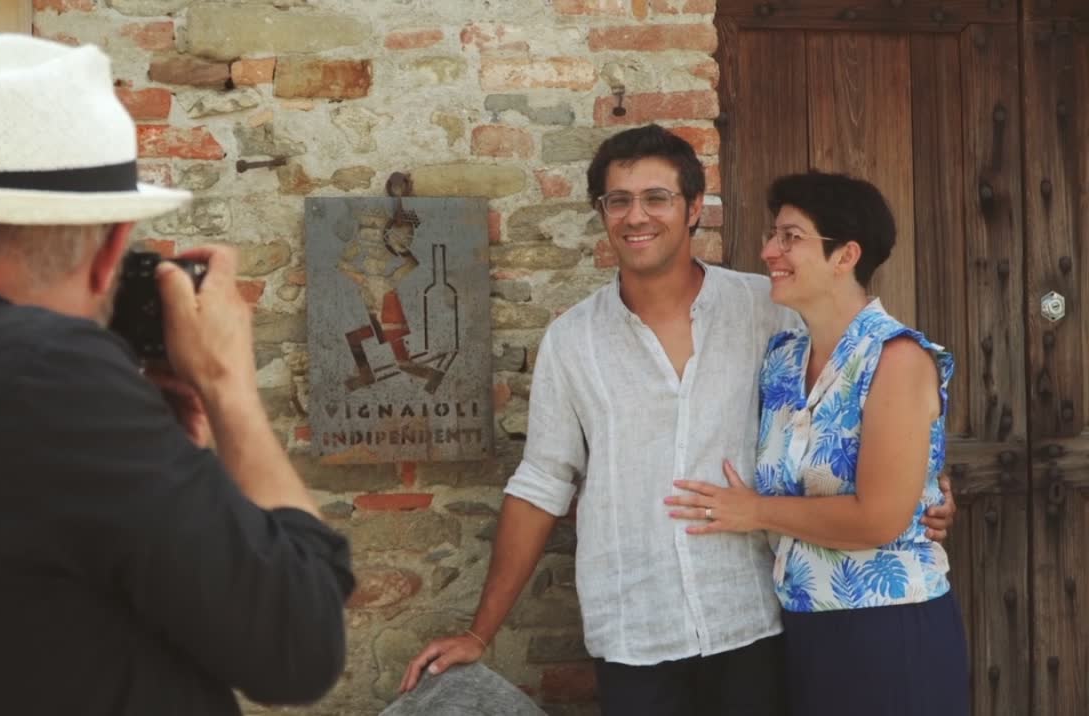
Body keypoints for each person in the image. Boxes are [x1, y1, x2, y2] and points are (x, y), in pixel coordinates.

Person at [0, 34, 353, 716]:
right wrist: (228, 388)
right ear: (109, 254)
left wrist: (162, 460)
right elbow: (298, 643)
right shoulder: (49, 377)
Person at [400, 125, 955, 715]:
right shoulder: (572, 342)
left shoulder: (770, 316)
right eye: (618, 200)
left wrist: (926, 496)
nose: (636, 216)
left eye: (656, 197)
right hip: (637, 634)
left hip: (759, 627)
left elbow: (872, 420)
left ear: (694, 208)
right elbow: (540, 486)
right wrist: (479, 632)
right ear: (602, 214)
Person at [667, 171, 969, 715]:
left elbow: (878, 519)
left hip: (889, 627)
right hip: (804, 627)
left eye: (790, 237)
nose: (769, 251)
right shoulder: (783, 358)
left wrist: (754, 511)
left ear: (845, 255)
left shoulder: (896, 359)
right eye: (773, 235)